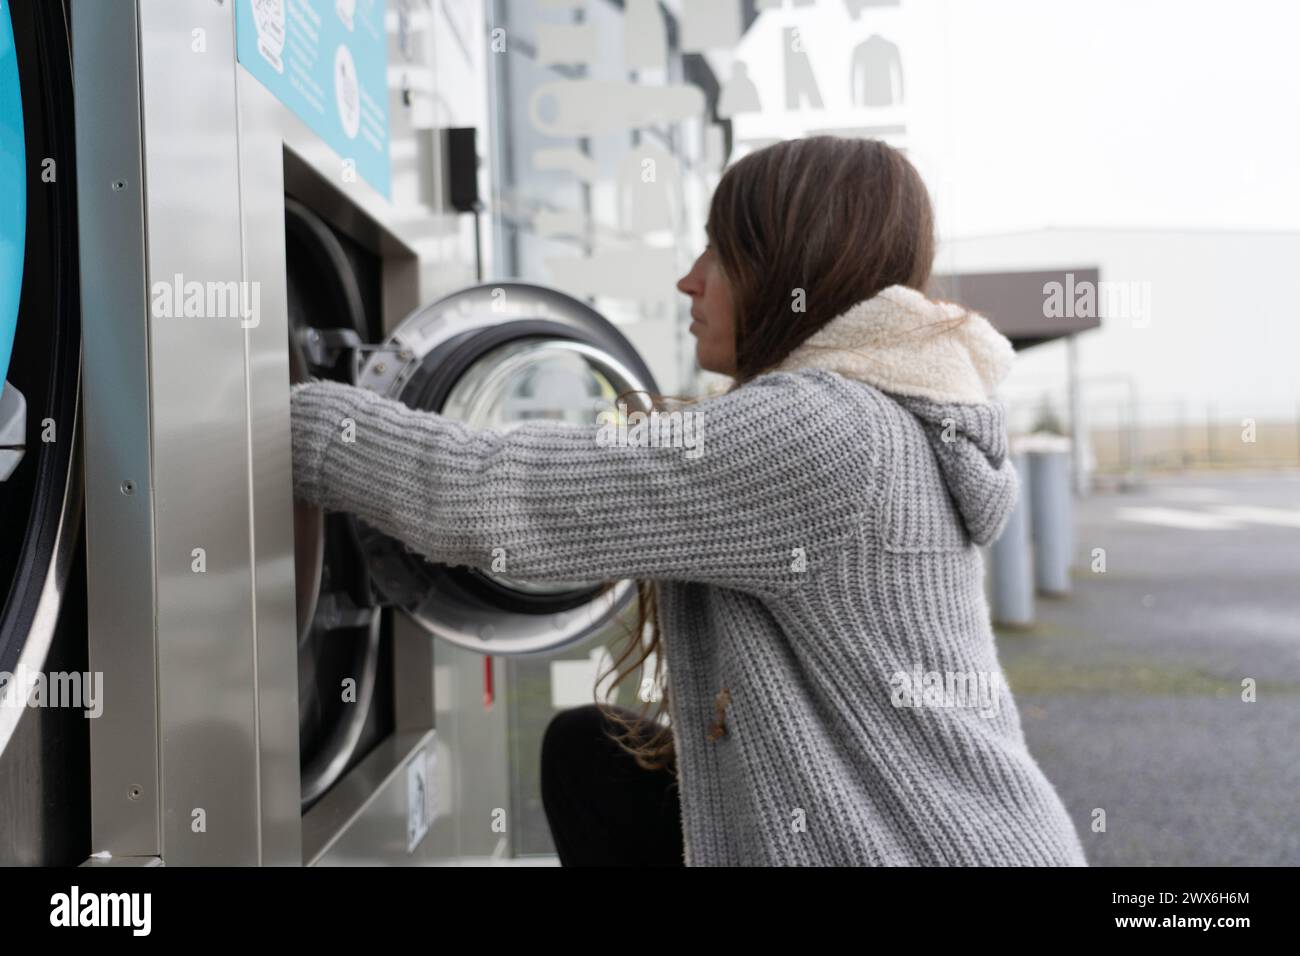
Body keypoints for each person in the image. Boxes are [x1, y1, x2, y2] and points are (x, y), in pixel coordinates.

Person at [290, 135, 1089, 867]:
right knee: (593, 753)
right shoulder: (883, 418)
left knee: (591, 759)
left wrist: (294, 425)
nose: (690, 279)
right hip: (978, 840)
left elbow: (501, 496)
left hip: (916, 848)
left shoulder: (824, 429)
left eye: (723, 249)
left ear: (791, 265)